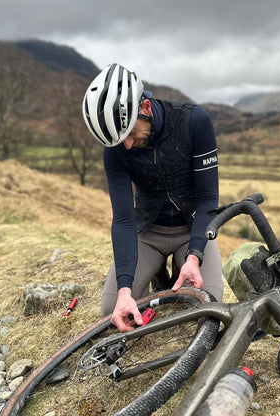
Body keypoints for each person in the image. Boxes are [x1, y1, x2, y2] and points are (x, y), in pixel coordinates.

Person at [82, 63, 224, 332]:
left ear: (145, 108)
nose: (126, 145)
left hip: (192, 229)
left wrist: (195, 255)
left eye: (130, 134)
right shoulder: (115, 148)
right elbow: (123, 219)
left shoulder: (194, 121)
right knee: (111, 311)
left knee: (209, 307)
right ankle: (157, 272)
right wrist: (124, 289)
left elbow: (208, 199)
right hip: (147, 232)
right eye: (117, 141)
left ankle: (180, 264)